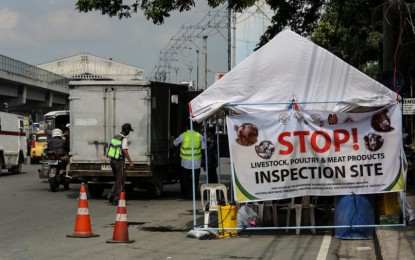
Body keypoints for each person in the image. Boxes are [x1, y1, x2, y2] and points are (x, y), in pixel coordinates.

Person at [173, 121, 205, 199]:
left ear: (186, 127)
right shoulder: (199, 136)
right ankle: (193, 194)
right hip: (196, 162)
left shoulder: (183, 135)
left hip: (185, 163)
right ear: (195, 127)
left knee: (185, 180)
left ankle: (187, 194)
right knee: (195, 180)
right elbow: (203, 148)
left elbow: (174, 143)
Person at [107, 123, 134, 205]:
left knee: (118, 179)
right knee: (121, 180)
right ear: (127, 130)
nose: (129, 132)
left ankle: (111, 195)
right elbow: (124, 150)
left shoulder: (116, 136)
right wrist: (130, 162)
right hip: (119, 161)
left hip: (112, 160)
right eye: (129, 131)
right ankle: (116, 198)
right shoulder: (124, 138)